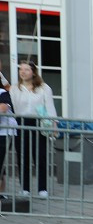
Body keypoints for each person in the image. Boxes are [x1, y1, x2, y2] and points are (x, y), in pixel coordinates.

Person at [11, 62, 58, 198]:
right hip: (20, 122)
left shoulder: (44, 88)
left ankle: (42, 188)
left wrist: (54, 124)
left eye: (26, 69)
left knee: (40, 155)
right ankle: (24, 188)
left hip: (38, 122)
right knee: (22, 155)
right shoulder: (15, 88)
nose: (23, 72)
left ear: (33, 72)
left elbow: (50, 107)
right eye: (21, 69)